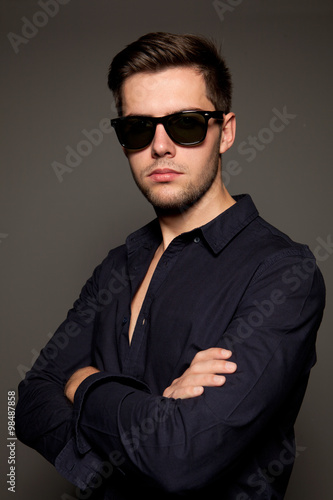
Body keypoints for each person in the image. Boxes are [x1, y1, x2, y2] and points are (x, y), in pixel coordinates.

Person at [16, 32, 325, 499]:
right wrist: (142, 435)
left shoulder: (283, 273)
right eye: (138, 129)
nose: (160, 147)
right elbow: (30, 401)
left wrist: (85, 383)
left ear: (227, 131)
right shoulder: (117, 266)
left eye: (185, 124)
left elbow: (181, 455)